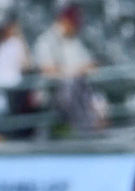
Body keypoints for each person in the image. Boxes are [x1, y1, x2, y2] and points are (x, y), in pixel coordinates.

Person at [32, 2, 104, 132]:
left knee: (97, 96)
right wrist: (75, 71)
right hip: (53, 93)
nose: (76, 26)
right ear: (64, 20)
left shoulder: (75, 42)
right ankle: (84, 131)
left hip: (80, 89)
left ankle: (95, 132)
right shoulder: (46, 41)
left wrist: (79, 70)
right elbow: (48, 71)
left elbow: (91, 66)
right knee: (71, 87)